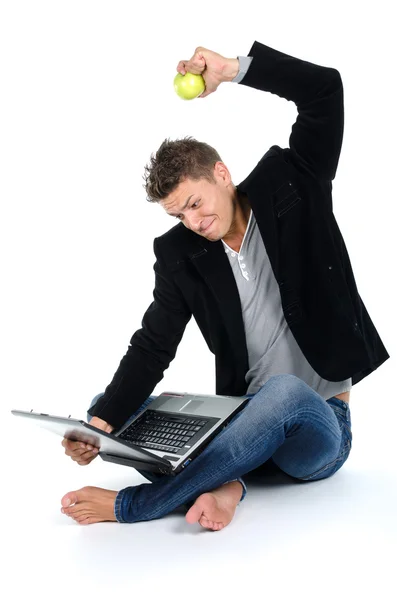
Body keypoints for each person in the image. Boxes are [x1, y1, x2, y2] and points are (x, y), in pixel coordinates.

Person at [60, 41, 389, 530]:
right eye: (179, 214)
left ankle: (143, 504)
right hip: (239, 421)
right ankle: (231, 482)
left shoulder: (293, 181)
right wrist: (102, 427)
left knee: (282, 394)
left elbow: (324, 91)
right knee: (102, 412)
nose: (192, 221)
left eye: (195, 203)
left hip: (316, 426)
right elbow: (153, 346)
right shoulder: (180, 255)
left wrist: (233, 70)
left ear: (221, 173)